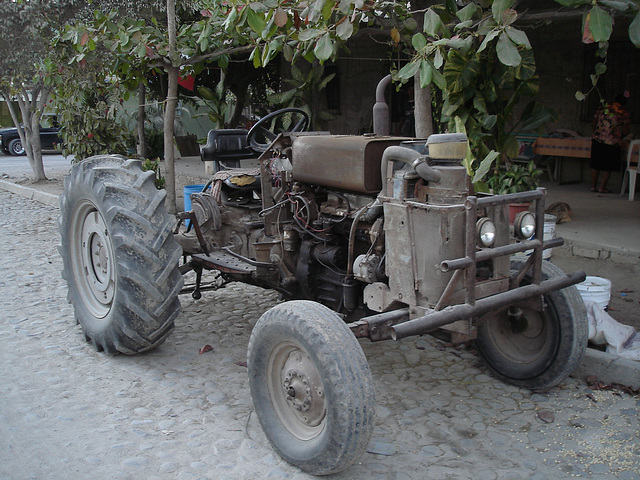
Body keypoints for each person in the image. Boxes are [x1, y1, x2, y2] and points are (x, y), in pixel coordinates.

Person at [590, 94, 630, 193]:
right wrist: (620, 136)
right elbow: (626, 129)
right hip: (612, 142)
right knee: (607, 165)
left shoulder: (602, 109)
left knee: (596, 164)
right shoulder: (623, 113)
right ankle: (602, 187)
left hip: (597, 140)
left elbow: (594, 123)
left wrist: (598, 132)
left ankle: (593, 186)